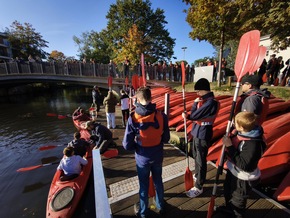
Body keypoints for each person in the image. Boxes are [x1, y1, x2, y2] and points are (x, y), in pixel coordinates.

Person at [123, 86, 170, 218]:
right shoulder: (162, 116)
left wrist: (137, 148)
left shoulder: (133, 118)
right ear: (151, 97)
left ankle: (143, 212)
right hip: (157, 156)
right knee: (158, 181)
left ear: (137, 99)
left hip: (142, 158)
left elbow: (126, 144)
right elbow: (166, 138)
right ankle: (160, 206)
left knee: (143, 185)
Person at [216, 112, 266, 217]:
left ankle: (236, 214)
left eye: (235, 123)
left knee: (238, 201)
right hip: (233, 170)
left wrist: (229, 146)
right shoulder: (241, 132)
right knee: (228, 191)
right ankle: (228, 209)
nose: (233, 124)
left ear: (242, 128)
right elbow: (234, 134)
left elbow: (244, 165)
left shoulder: (253, 145)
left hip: (242, 177)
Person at [182, 78, 220, 198]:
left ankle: (199, 185)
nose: (197, 94)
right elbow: (194, 116)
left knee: (201, 158)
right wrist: (194, 104)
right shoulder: (203, 100)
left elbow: (194, 116)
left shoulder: (210, 102)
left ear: (204, 90)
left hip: (203, 132)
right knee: (195, 154)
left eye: (198, 91)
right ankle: (198, 174)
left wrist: (188, 113)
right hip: (196, 131)